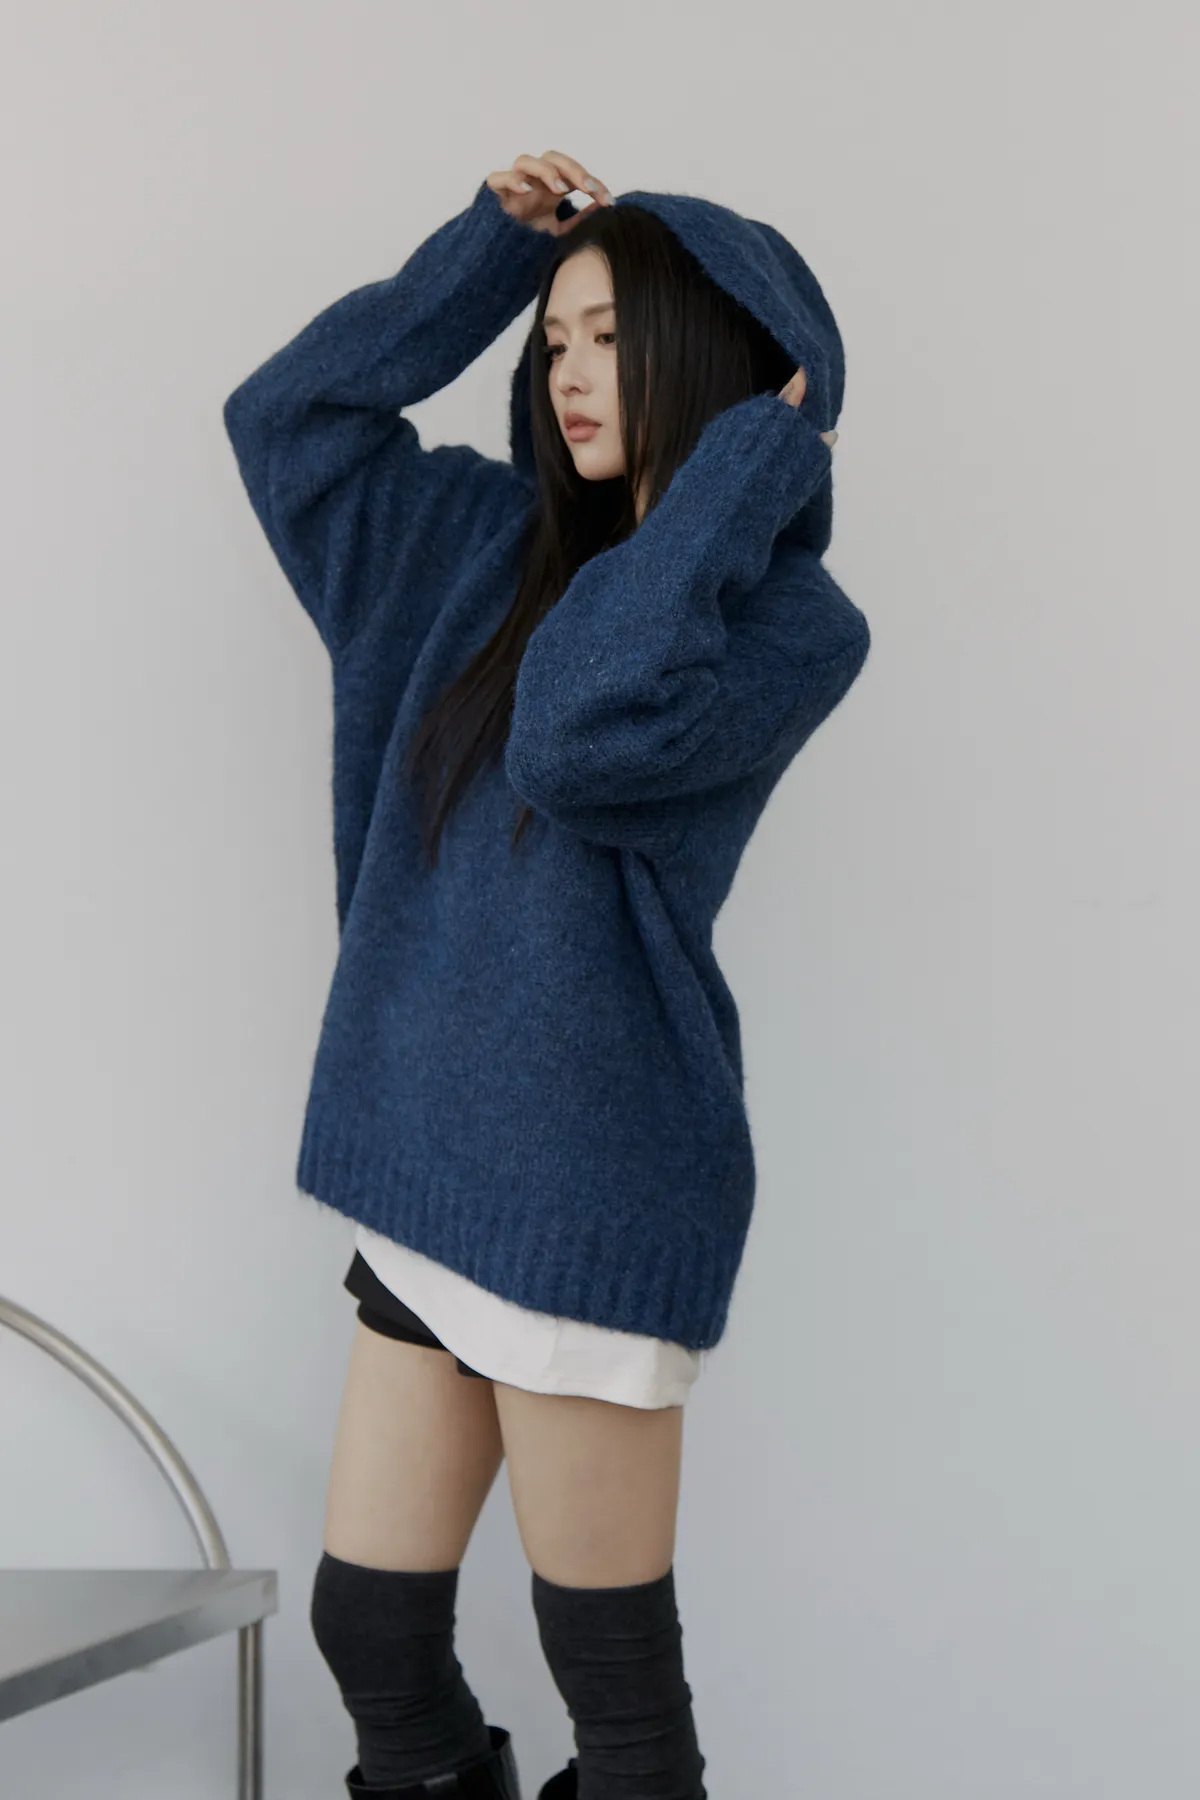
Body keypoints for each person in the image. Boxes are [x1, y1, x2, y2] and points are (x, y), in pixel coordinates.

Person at [222, 147, 870, 1800]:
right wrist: (483, 260)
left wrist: (743, 472)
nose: (569, 373)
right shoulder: (465, 538)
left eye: (610, 339)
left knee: (620, 1712)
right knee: (373, 1639)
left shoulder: (788, 625)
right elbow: (285, 422)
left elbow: (577, 738)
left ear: (722, 371)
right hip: (422, 1156)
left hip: (591, 1182)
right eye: (555, 340)